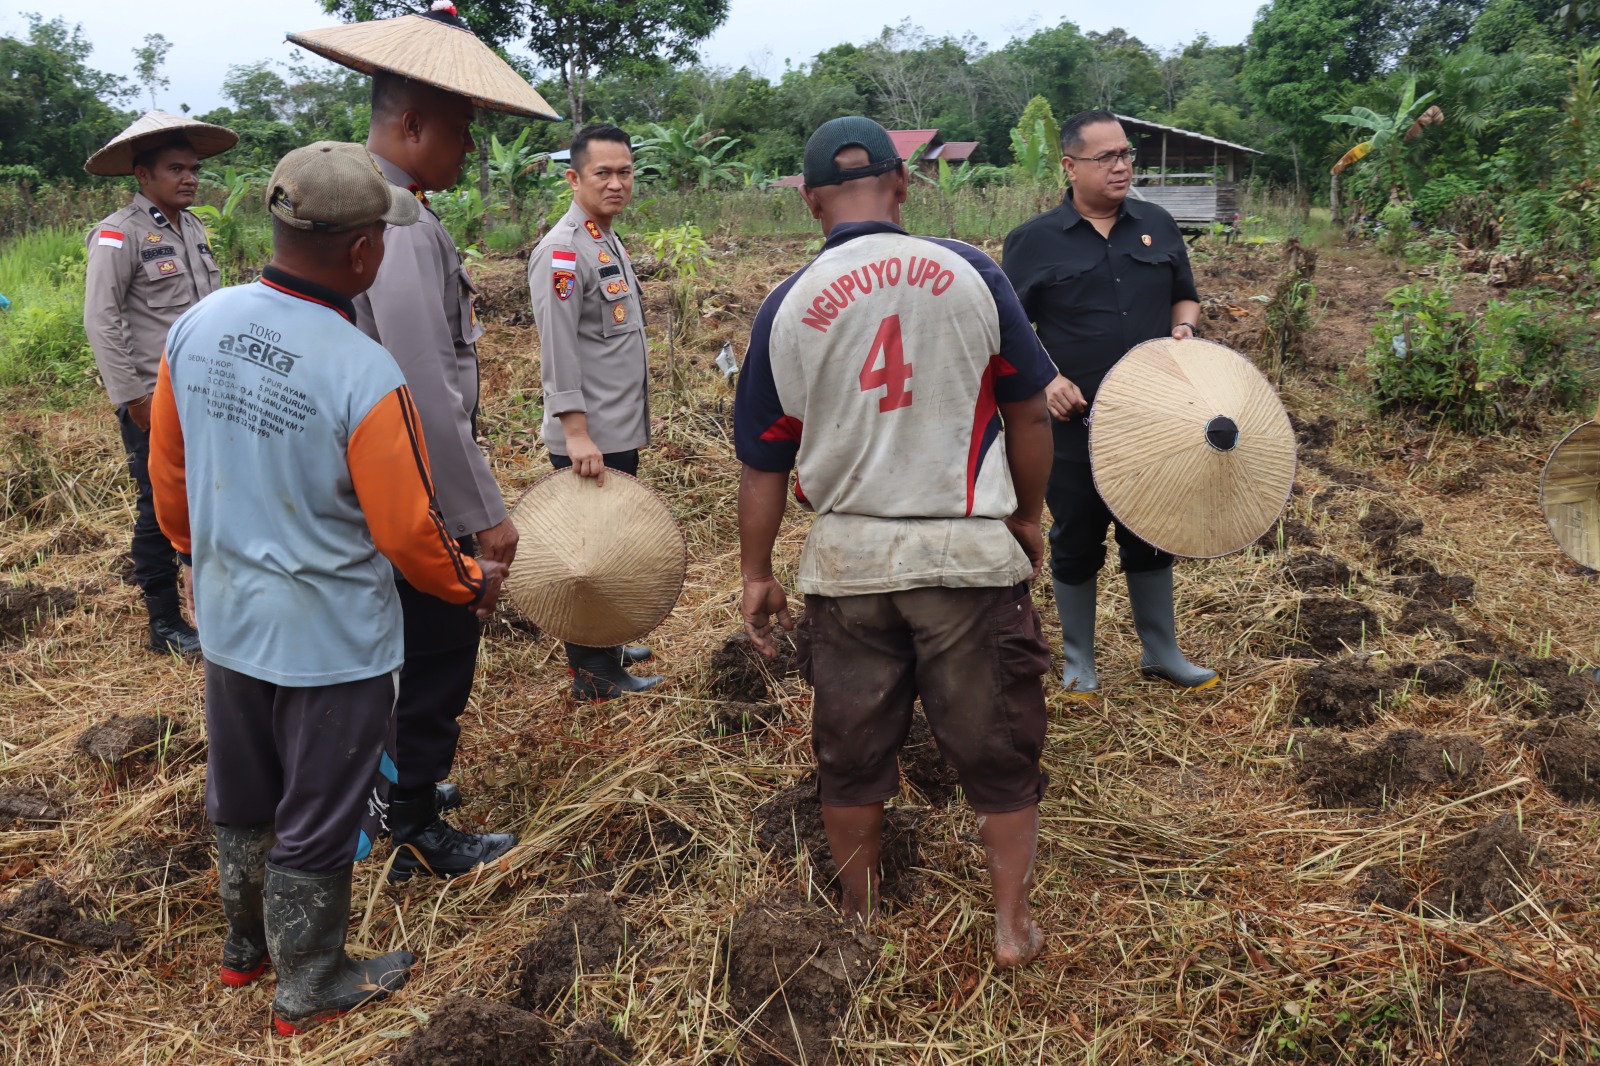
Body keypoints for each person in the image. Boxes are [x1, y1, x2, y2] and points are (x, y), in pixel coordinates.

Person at [147, 141, 507, 1033]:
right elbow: (407, 532)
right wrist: (470, 583)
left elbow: (169, 472)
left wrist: (201, 556)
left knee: (242, 787)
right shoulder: (361, 370)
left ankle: (245, 950)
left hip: (231, 619)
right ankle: (310, 979)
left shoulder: (200, 323)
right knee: (318, 803)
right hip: (329, 638)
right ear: (361, 254)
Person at [736, 117, 1056, 969]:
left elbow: (764, 460)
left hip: (849, 564)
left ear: (811, 204)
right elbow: (1029, 408)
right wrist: (1026, 516)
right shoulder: (971, 272)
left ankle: (857, 913)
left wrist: (756, 573)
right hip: (965, 555)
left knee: (851, 750)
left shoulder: (790, 302)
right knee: (996, 746)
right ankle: (1012, 927)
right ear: (904, 187)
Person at [313, 2, 537, 881]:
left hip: (371, 478)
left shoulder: (375, 204)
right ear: (409, 123)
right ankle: (412, 826)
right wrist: (481, 514)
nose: (469, 149)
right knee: (440, 643)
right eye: (458, 130)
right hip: (407, 484)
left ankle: (400, 792)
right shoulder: (396, 221)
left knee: (395, 646)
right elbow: (421, 389)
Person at [1001, 109, 1217, 698]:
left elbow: (1185, 298)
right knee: (1076, 533)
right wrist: (1046, 379)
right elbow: (1006, 327)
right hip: (1073, 424)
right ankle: (1079, 662)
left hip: (1154, 416)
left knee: (1149, 528)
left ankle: (1161, 651)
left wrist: (1186, 333)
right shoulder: (1033, 240)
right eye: (1106, 157)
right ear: (1070, 166)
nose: (1121, 166)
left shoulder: (1157, 225)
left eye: (1126, 155)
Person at [83, 111, 237, 657]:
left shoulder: (193, 228)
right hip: (153, 397)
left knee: (208, 495)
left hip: (203, 391)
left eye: (193, 168)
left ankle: (209, 602)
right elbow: (101, 320)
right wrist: (132, 399)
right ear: (142, 175)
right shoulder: (117, 234)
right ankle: (164, 621)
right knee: (158, 504)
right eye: (176, 168)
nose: (190, 177)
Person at [528, 123, 662, 700]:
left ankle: (604, 643)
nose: (616, 183)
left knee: (612, 545)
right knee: (588, 555)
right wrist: (576, 433)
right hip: (591, 436)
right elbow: (557, 350)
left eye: (625, 172)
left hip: (616, 423)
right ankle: (591, 671)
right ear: (574, 178)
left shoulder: (602, 237)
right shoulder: (563, 251)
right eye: (602, 173)